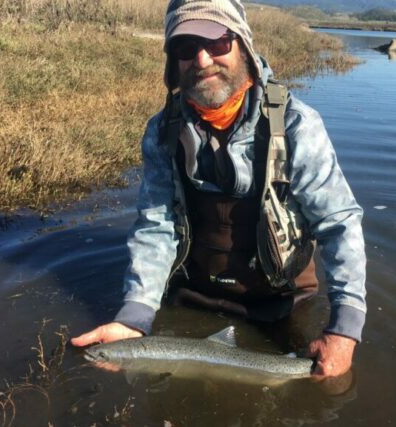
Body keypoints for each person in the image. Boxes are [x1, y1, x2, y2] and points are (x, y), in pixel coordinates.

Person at [72, 0, 366, 378]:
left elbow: (338, 223)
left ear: (243, 44)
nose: (203, 58)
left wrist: (344, 328)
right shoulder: (163, 131)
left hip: (281, 305)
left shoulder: (296, 125)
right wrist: (135, 316)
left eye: (218, 42)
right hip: (191, 298)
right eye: (185, 47)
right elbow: (156, 226)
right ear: (173, 62)